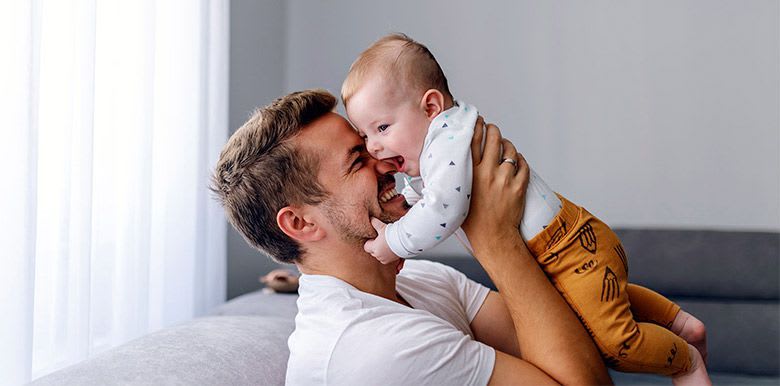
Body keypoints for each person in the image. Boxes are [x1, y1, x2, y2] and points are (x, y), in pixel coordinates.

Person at [341, 33, 710, 385]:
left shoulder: (446, 141)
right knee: (596, 305)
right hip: (568, 245)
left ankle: (685, 360)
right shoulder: (443, 143)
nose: (374, 147)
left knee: (617, 345)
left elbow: (444, 210)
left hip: (565, 247)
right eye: (366, 136)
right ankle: (677, 321)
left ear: (431, 106)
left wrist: (394, 241)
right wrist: (409, 201)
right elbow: (436, 198)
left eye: (382, 128)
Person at [211, 89, 612, 385]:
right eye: (357, 160)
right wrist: (494, 238)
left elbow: (579, 343)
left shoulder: (421, 279)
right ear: (301, 224)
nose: (385, 159)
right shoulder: (376, 349)